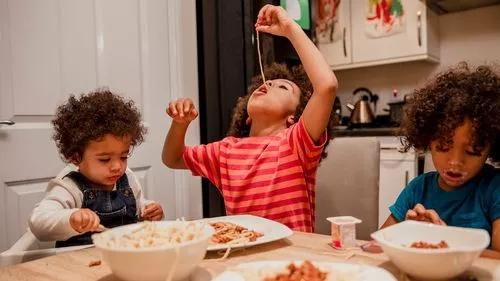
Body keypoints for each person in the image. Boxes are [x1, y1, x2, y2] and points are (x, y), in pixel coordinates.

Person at [162, 5, 338, 232]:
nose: (269, 83)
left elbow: (327, 85)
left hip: (292, 255)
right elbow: (172, 158)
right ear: (246, 117)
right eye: (268, 83)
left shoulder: (296, 144)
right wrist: (179, 124)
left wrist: (289, 28)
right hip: (243, 256)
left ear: (294, 117)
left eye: (282, 87)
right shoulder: (225, 152)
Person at [381, 63, 500, 259]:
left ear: (491, 146)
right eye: (444, 147)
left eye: (472, 151)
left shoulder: (494, 189)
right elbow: (375, 247)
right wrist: (409, 233)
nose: (455, 162)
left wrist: (444, 242)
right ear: (428, 140)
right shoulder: (418, 189)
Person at [29, 89, 164, 247]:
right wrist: (71, 219)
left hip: (125, 258)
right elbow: (39, 222)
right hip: (80, 263)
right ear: (75, 158)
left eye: (123, 156)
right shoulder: (69, 188)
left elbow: (138, 206)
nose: (117, 166)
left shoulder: (127, 178)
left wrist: (149, 209)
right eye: (105, 159)